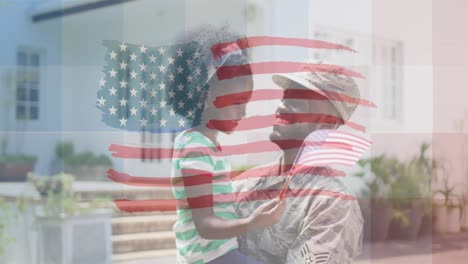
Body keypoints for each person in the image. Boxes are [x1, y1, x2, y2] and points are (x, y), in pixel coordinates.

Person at [169, 26, 286, 264]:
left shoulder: (207, 145)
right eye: (236, 101)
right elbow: (205, 226)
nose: (243, 111)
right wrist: (253, 222)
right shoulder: (195, 146)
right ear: (204, 97)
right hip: (210, 257)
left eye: (246, 102)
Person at [234, 63, 364, 264]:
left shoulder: (332, 204)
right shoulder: (242, 186)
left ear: (327, 124)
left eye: (299, 101)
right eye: (285, 97)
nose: (282, 106)